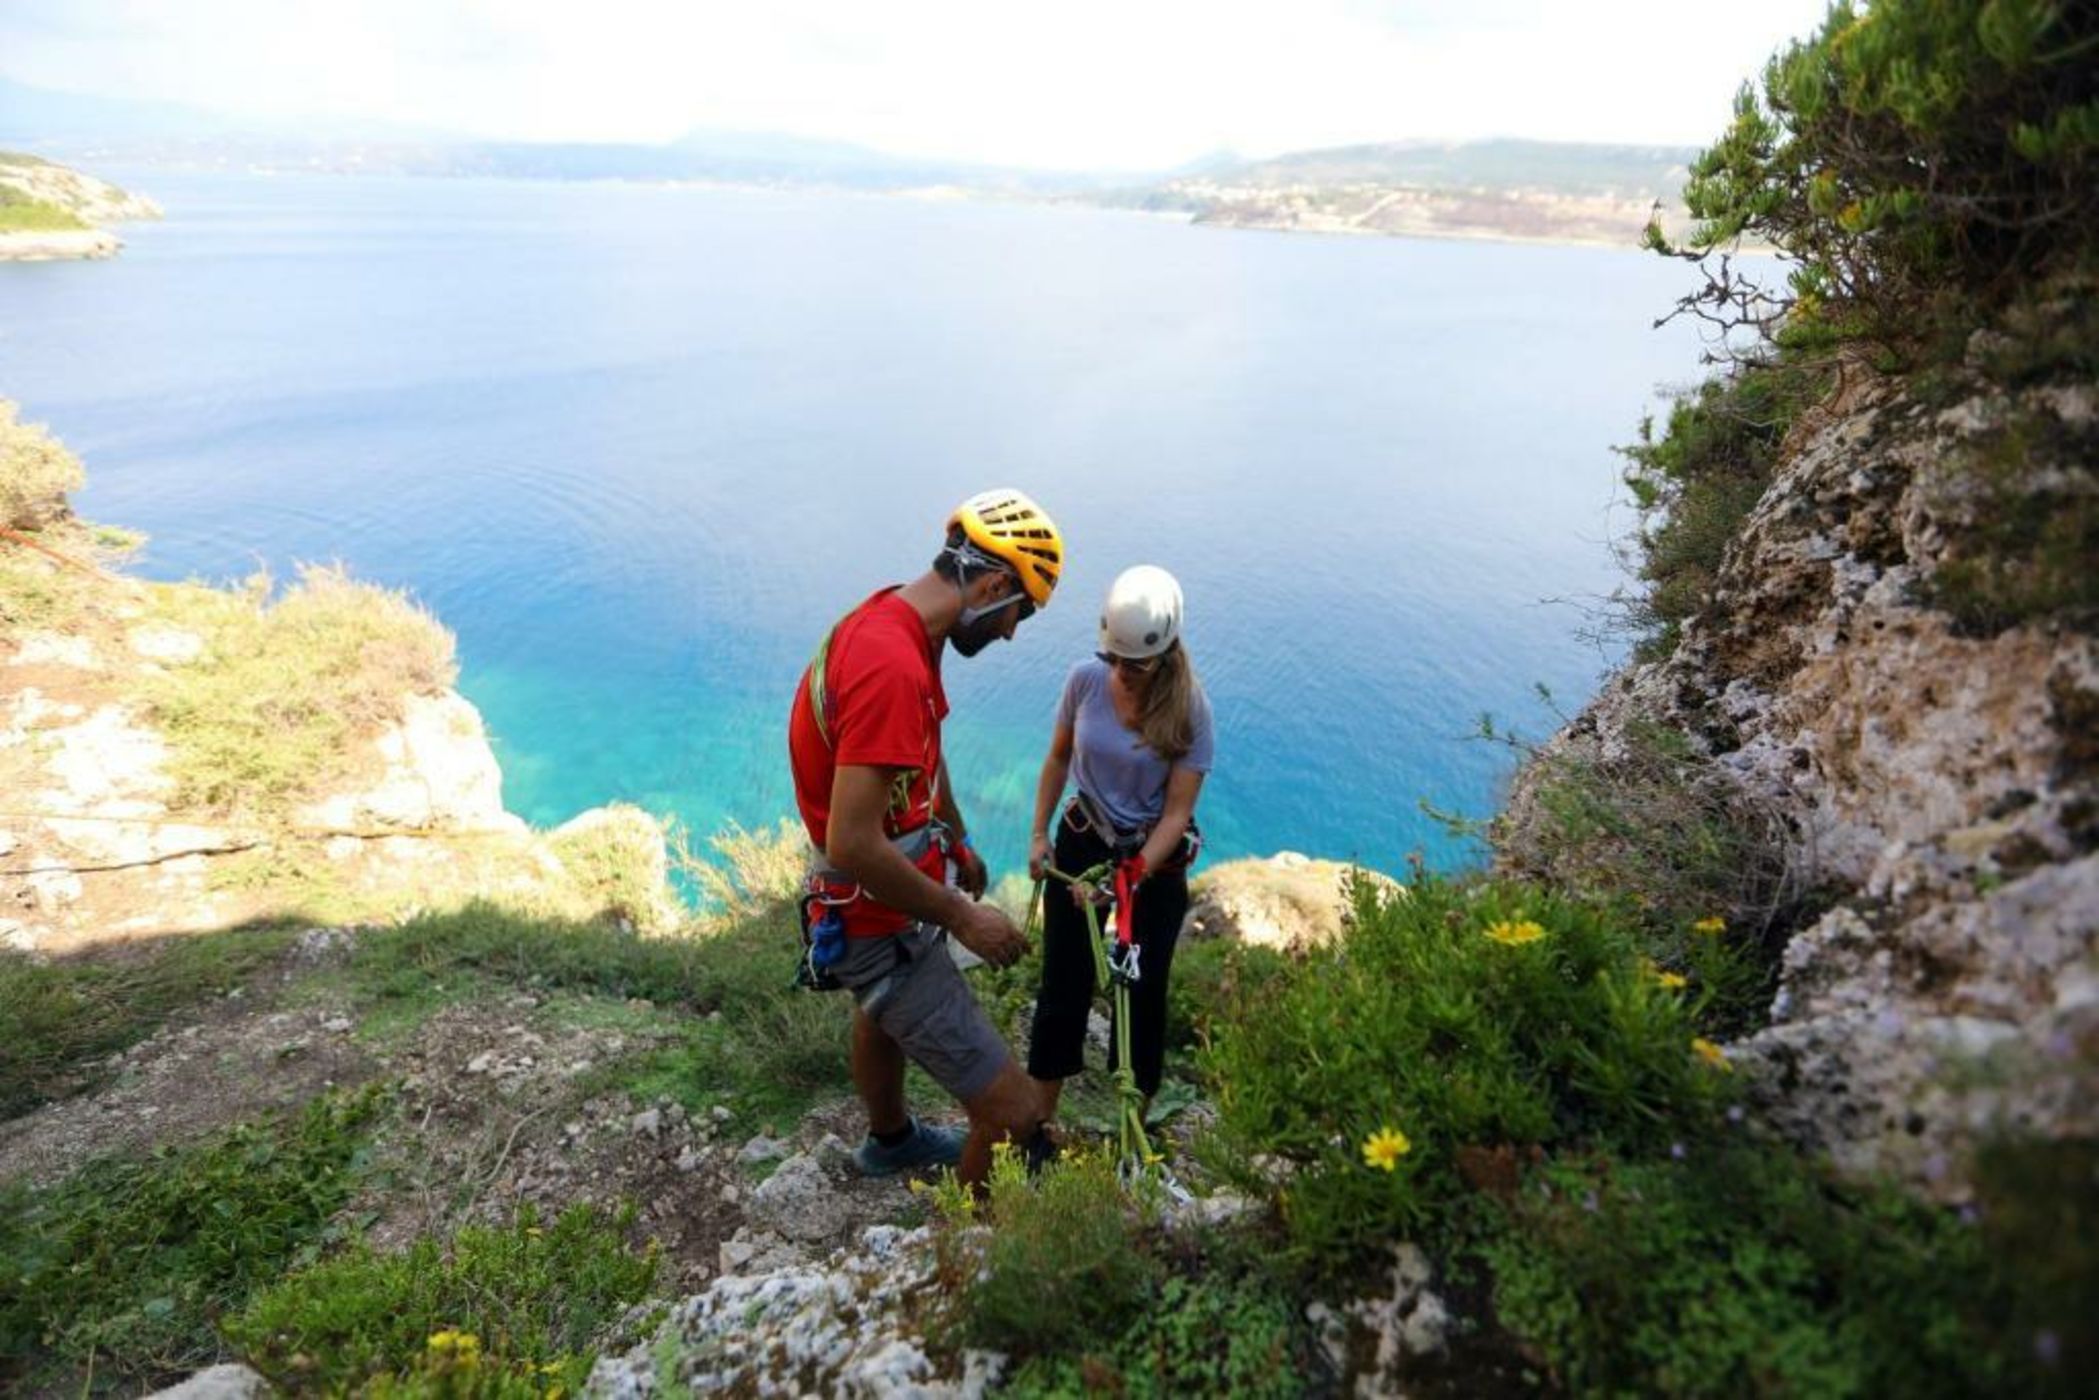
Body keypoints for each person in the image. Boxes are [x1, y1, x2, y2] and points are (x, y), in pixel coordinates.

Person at [787, 489, 1062, 1186]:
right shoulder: (892, 665)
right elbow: (853, 841)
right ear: (994, 583)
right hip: (876, 917)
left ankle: (892, 1143)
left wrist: (958, 839)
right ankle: (958, 1267)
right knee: (1012, 1115)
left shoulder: (897, 619)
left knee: (879, 1019)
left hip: (865, 902)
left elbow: (918, 751)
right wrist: (962, 917)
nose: (1009, 633)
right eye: (1018, 612)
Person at [1026, 564, 1213, 1125]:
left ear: (1164, 652)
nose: (1123, 672)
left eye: (1136, 663)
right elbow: (1058, 757)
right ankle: (1038, 1125)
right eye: (1115, 658)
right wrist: (1038, 835)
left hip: (1151, 861)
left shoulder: (1190, 711)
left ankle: (1131, 1124)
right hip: (1082, 838)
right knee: (1064, 978)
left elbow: (1178, 812)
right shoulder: (1085, 680)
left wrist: (1128, 875)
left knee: (1141, 988)